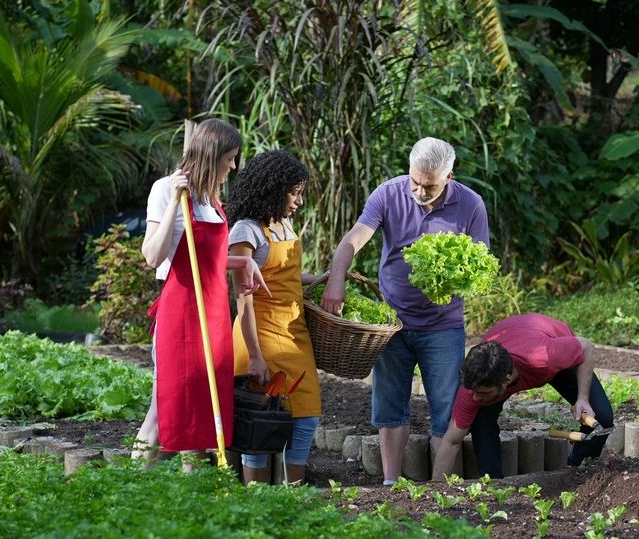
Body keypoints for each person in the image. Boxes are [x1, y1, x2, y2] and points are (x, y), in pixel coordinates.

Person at [320, 137, 489, 485]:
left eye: (429, 186)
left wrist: (452, 281)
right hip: (392, 324)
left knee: (445, 410)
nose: (419, 191)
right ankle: (390, 484)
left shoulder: (471, 204)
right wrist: (336, 281)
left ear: (449, 176)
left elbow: (479, 265)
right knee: (389, 405)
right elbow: (352, 240)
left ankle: (443, 489)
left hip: (443, 327)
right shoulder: (388, 193)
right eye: (415, 182)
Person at [131, 118, 268, 469]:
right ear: (213, 156)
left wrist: (242, 263)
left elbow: (208, 258)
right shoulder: (167, 189)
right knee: (165, 409)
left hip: (215, 316)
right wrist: (176, 204)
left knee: (205, 414)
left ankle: (194, 499)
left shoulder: (211, 197)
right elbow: (152, 256)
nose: (234, 166)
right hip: (181, 315)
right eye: (231, 158)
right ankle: (129, 488)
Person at [227, 149, 325, 485]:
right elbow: (243, 300)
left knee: (306, 416)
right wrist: (255, 356)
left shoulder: (285, 225)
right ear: (271, 188)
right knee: (260, 420)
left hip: (295, 335)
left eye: (300, 192)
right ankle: (257, 500)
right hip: (261, 336)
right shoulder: (245, 231)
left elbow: (286, 279)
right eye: (293, 192)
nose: (298, 201)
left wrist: (323, 279)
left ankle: (292, 494)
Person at [431, 313, 614, 480]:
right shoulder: (474, 387)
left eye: (483, 392)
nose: (476, 397)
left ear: (506, 380)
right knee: (481, 417)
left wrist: (582, 398)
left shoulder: (545, 356)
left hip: (551, 347)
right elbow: (451, 441)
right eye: (475, 392)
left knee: (602, 416)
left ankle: (577, 471)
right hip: (515, 339)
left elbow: (585, 346)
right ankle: (494, 483)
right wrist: (436, 490)